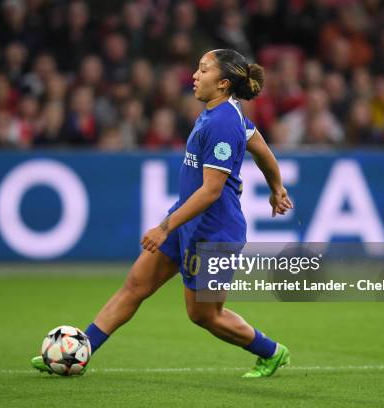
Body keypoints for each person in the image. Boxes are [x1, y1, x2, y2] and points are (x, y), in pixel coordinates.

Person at [32, 49, 294, 378]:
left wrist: (164, 227)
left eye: (203, 70)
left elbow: (212, 191)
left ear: (223, 83)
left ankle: (271, 351)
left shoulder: (225, 121)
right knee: (135, 286)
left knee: (204, 316)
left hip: (215, 233)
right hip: (188, 221)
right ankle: (77, 353)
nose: (194, 76)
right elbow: (263, 151)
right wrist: (277, 187)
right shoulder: (220, 112)